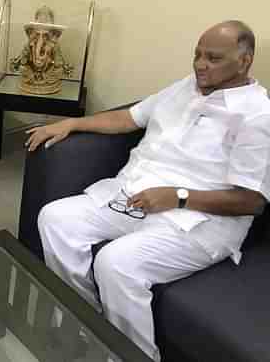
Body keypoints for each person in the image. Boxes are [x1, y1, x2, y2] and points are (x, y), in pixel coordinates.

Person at [25, 21, 270, 361]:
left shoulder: (257, 116)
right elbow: (129, 118)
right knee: (55, 219)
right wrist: (72, 123)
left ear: (244, 61)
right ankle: (87, 324)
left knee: (116, 263)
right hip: (135, 195)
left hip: (199, 221)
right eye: (197, 55)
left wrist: (177, 196)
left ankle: (135, 355)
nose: (200, 64)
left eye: (213, 58)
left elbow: (252, 201)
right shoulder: (187, 87)